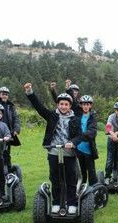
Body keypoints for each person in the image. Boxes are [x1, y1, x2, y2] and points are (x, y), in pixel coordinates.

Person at [24, 82, 82, 214]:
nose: (63, 106)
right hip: (54, 151)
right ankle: (56, 202)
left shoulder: (75, 119)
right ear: (57, 105)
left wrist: (72, 142)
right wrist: (30, 92)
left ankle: (71, 202)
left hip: (69, 153)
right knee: (55, 178)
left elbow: (80, 135)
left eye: (66, 104)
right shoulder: (52, 115)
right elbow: (39, 107)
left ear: (70, 105)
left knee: (70, 179)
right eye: (61, 104)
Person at [76, 95, 99, 185]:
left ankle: (93, 191)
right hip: (78, 149)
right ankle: (81, 191)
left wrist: (80, 135)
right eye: (84, 104)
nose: (86, 106)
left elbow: (93, 132)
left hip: (89, 150)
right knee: (81, 173)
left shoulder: (92, 118)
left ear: (90, 106)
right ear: (81, 105)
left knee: (92, 173)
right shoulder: (78, 116)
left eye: (88, 104)